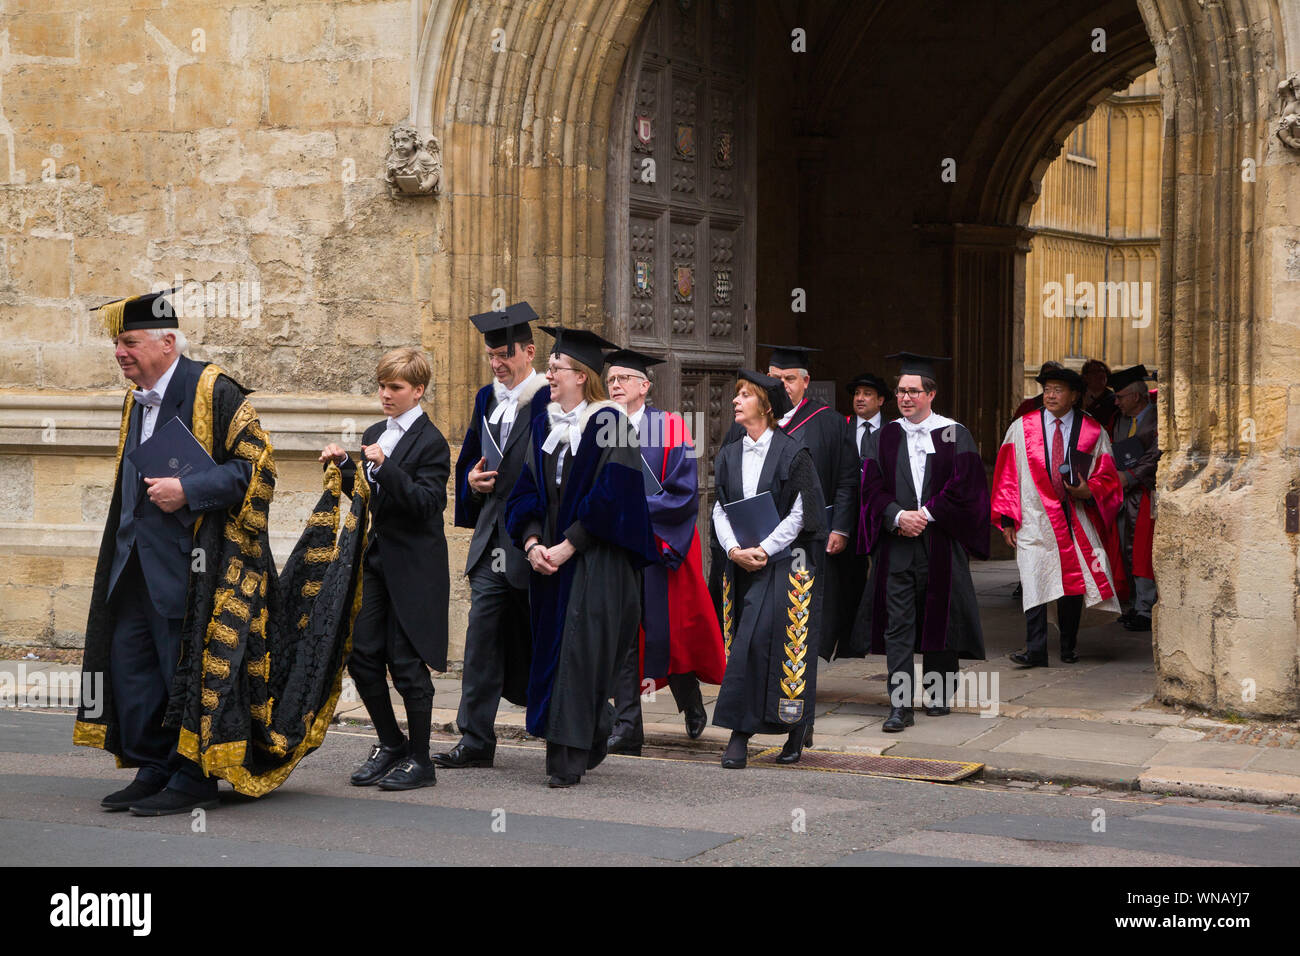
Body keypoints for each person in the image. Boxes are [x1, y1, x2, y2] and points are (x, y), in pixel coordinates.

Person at [77, 289, 366, 815]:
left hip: (196, 567)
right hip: (134, 562)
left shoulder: (215, 389)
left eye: (129, 341)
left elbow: (258, 469)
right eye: (116, 343)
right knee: (134, 667)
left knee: (180, 669)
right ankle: (156, 765)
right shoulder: (132, 399)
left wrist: (189, 491)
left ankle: (194, 777)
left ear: (167, 343)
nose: (120, 352)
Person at [505, 327, 658, 787]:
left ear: (581, 376)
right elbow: (525, 490)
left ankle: (567, 759)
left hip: (597, 561)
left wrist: (570, 543)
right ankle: (588, 731)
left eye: (556, 368)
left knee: (580, 653)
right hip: (550, 560)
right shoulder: (543, 422)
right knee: (557, 651)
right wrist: (532, 543)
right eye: (550, 367)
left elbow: (614, 497)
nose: (549, 374)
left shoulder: (610, 422)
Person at [320, 347, 451, 791]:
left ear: (418, 391)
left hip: (415, 568)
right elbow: (365, 494)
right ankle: (391, 743)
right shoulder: (378, 431)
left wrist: (386, 466)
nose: (385, 394)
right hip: (376, 561)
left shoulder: (431, 441)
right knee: (362, 656)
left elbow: (428, 504)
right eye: (381, 386)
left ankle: (421, 761)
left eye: (394, 387)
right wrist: (342, 466)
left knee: (407, 664)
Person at [434, 302, 549, 770]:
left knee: (544, 638)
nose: (498, 364)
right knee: (481, 639)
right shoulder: (486, 398)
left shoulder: (548, 397)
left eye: (504, 354)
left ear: (528, 351)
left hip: (533, 538)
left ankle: (578, 726)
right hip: (490, 540)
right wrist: (472, 485)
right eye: (491, 356)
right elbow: (469, 463)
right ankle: (476, 739)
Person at [849, 353, 990, 732]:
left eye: (913, 391)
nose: (905, 397)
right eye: (900, 391)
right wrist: (897, 516)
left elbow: (967, 488)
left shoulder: (953, 433)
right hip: (897, 544)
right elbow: (871, 489)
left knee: (940, 616)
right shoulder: (883, 436)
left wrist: (925, 515)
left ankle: (939, 694)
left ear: (931, 394)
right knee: (898, 623)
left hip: (940, 542)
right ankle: (899, 706)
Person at [604, 348, 724, 755]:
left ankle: (688, 696)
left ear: (645, 385)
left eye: (623, 379)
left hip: (660, 545)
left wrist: (630, 509)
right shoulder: (602, 428)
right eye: (610, 380)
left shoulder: (670, 426)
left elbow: (683, 493)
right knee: (625, 635)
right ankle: (626, 725)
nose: (615, 385)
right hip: (617, 546)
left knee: (667, 633)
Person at [711, 370, 827, 768]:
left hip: (785, 564)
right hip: (742, 563)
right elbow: (719, 506)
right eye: (736, 395)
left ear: (765, 405)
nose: (735, 401)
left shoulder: (794, 452)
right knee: (746, 643)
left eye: (744, 395)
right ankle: (779, 727)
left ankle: (750, 734)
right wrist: (732, 548)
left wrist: (763, 548)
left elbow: (801, 512)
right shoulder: (728, 453)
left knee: (776, 645)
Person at [992, 365, 1125, 667]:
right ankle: (1035, 649)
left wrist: (1087, 490)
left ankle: (1068, 644)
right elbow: (1007, 475)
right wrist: (1008, 518)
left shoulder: (1093, 431)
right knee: (1033, 579)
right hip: (1033, 516)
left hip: (1075, 517)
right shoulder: (1022, 427)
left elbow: (1108, 477)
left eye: (1058, 390)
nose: (1050, 395)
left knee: (1072, 584)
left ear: (1075, 395)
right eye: (1047, 389)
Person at [1109, 364, 1160, 632]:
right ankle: (1135, 605)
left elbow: (1155, 454)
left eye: (1120, 397)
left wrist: (1129, 477)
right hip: (1124, 495)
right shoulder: (1120, 422)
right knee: (1125, 547)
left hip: (1146, 492)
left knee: (1143, 551)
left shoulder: (1158, 419)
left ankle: (1147, 608)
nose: (1116, 402)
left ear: (1136, 396)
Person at [1081, 358, 1118, 432]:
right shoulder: (1077, 396)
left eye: (1103, 371)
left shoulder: (1114, 400)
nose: (1100, 375)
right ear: (1085, 377)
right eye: (1094, 372)